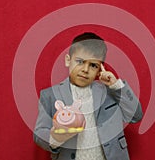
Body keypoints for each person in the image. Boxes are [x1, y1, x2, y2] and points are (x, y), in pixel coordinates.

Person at [34, 32, 143, 160]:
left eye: (93, 65)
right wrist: (55, 138)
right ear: (68, 60)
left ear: (99, 69)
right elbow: (39, 134)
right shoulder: (50, 95)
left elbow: (136, 115)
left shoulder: (110, 92)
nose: (85, 69)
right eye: (80, 61)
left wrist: (116, 85)